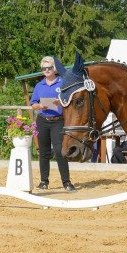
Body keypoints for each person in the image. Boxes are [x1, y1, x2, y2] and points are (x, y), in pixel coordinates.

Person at [30, 56, 77, 192]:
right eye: (44, 68)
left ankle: (66, 182)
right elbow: (33, 104)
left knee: (59, 151)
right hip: (43, 120)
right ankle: (44, 181)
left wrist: (59, 102)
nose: (46, 70)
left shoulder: (62, 83)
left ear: (54, 69)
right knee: (43, 152)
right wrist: (39, 106)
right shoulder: (39, 85)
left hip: (58, 121)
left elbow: (70, 99)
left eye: (49, 68)